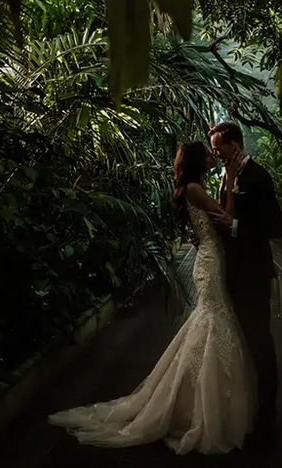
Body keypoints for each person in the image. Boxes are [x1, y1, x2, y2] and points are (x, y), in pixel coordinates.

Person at [48, 141, 256, 455]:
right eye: (210, 154)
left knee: (210, 319)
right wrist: (229, 178)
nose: (214, 157)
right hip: (210, 260)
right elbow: (226, 215)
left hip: (212, 257)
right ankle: (196, 408)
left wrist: (227, 178)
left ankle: (198, 401)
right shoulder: (194, 189)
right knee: (211, 320)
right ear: (199, 160)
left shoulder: (195, 187)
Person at [207, 122, 282, 450]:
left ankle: (268, 418)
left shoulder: (257, 177)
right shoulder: (228, 176)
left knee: (260, 344)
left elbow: (275, 227)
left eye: (219, 148)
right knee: (244, 344)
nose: (215, 153)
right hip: (234, 275)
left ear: (235, 144)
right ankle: (250, 410)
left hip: (252, 276)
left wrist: (234, 225)